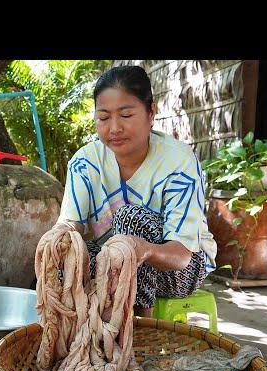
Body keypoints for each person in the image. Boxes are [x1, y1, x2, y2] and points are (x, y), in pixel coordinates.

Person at [56, 65, 217, 317]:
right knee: (67, 257)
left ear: (151, 111)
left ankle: (135, 333)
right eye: (104, 117)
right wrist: (57, 240)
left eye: (126, 115)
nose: (114, 128)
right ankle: (81, 340)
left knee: (130, 220)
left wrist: (144, 249)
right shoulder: (85, 162)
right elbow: (70, 223)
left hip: (177, 268)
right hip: (115, 265)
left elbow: (182, 254)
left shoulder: (178, 161)